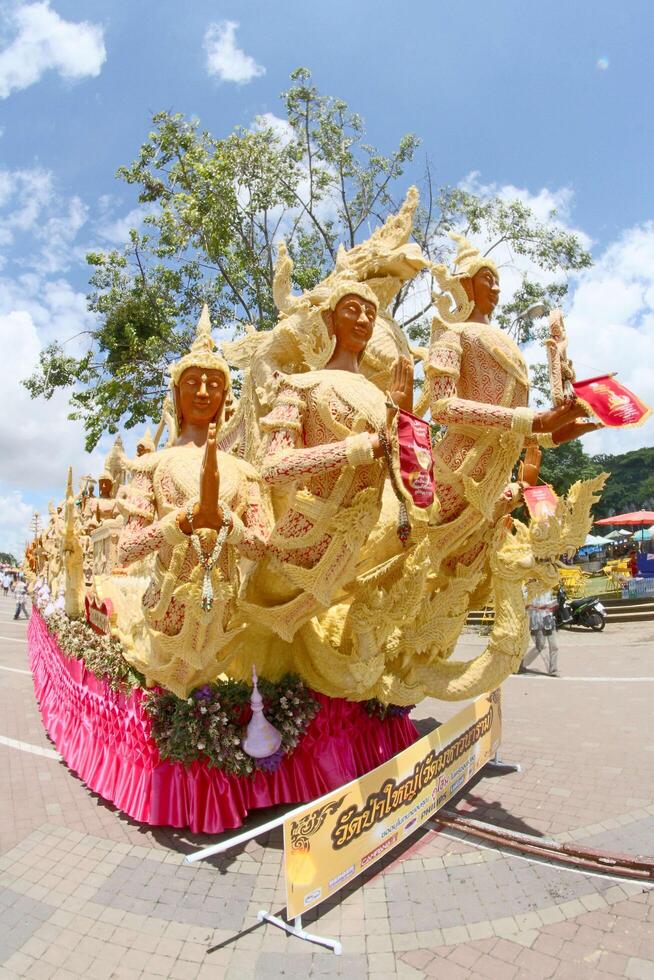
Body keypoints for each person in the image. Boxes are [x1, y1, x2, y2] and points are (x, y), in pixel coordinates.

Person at [521, 592, 559, 676]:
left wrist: (555, 603)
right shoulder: (528, 589)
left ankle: (553, 670)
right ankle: (521, 665)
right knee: (540, 646)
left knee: (554, 646)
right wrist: (534, 607)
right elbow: (523, 605)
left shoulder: (548, 588)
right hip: (536, 621)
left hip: (548, 620)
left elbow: (552, 604)